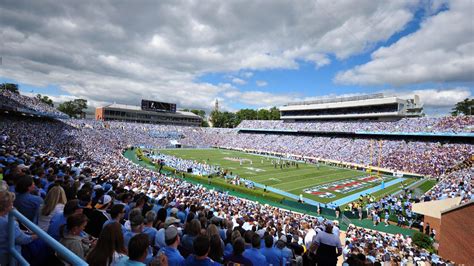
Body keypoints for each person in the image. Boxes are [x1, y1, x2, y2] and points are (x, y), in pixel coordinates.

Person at [0, 190, 37, 266]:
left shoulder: (7, 219)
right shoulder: (8, 222)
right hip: (6, 256)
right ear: (7, 206)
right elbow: (23, 240)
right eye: (11, 203)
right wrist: (36, 236)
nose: (13, 205)